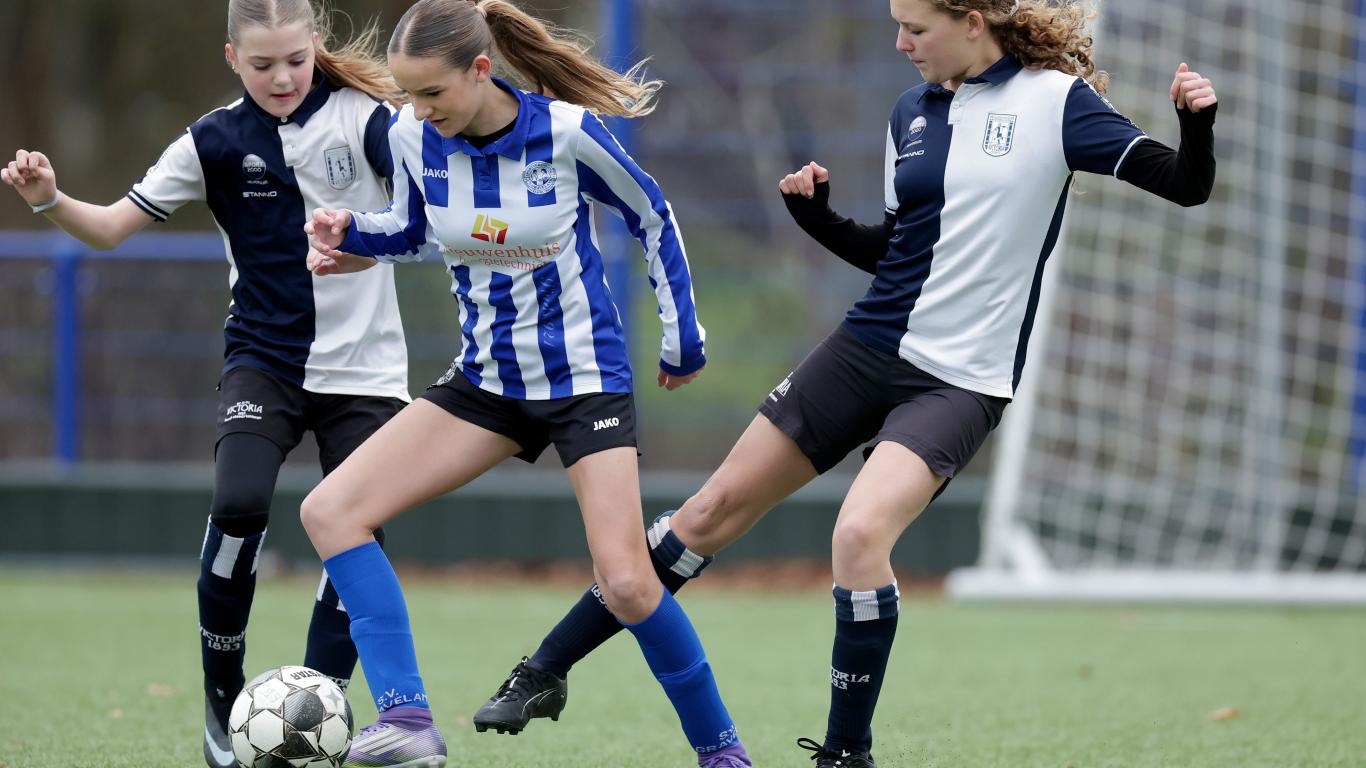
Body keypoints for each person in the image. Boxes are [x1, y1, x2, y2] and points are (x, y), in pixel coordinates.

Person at [468, 0, 1220, 765]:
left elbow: (1186, 184)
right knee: (710, 510)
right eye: (896, 26)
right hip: (866, 348)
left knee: (859, 537)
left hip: (960, 382)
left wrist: (1196, 121)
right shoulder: (912, 114)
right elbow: (898, 251)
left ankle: (844, 753)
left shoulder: (1056, 102)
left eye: (916, 29)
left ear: (974, 20)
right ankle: (546, 668)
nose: (901, 44)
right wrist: (820, 219)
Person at [298, 1, 752, 766]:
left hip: (583, 386)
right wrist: (352, 237)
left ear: (480, 70)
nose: (419, 111)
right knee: (331, 511)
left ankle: (723, 754)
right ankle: (407, 721)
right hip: (486, 385)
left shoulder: (567, 133)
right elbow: (412, 231)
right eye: (408, 95)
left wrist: (683, 334)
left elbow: (652, 215)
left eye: (432, 93)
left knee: (630, 583)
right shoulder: (414, 138)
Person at [2, 2, 412, 766]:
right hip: (264, 360)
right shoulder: (213, 140)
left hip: (368, 374)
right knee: (238, 505)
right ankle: (223, 705)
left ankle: (314, 705)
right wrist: (48, 199)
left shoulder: (369, 120)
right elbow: (111, 227)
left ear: (314, 45)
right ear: (232, 58)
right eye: (263, 65)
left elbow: (430, 201)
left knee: (359, 531)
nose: (282, 76)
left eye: (295, 59)